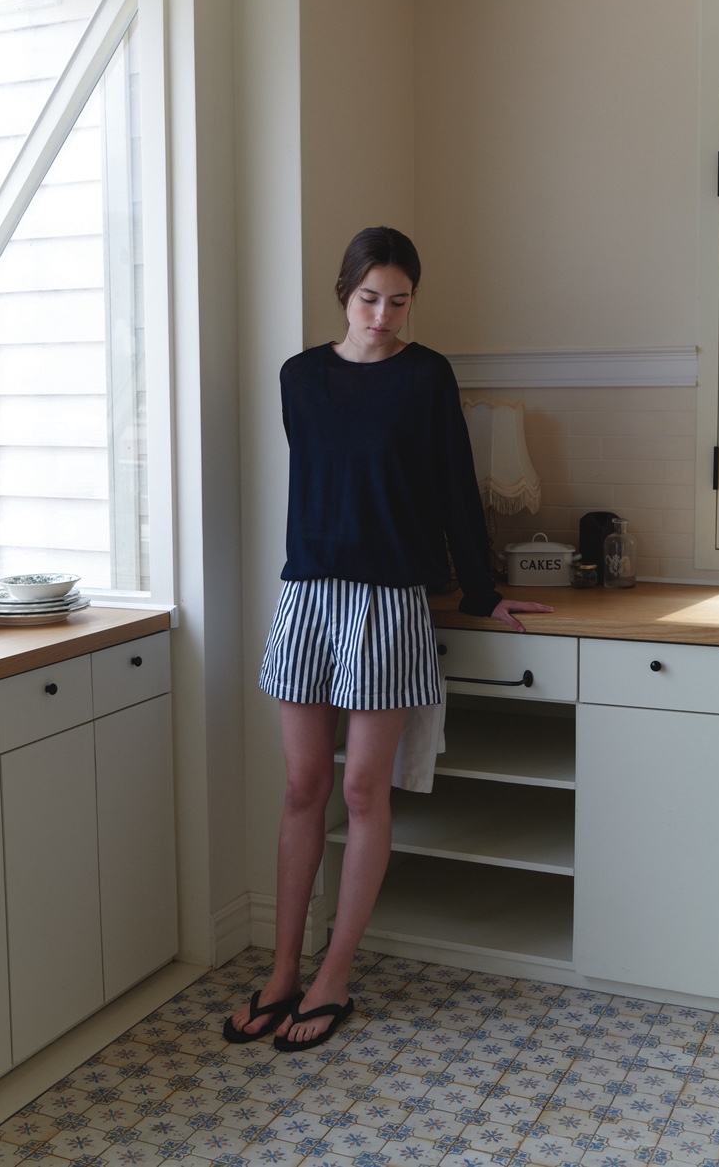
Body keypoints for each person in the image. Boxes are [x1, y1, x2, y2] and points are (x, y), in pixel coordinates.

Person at [223, 226, 552, 1052]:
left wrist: (483, 591)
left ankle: (334, 976)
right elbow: (319, 480)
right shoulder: (300, 376)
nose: (382, 315)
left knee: (365, 791)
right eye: (369, 298)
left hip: (388, 601)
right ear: (345, 293)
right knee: (302, 786)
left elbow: (453, 487)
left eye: (398, 301)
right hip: (306, 594)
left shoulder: (425, 375)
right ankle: (283, 971)